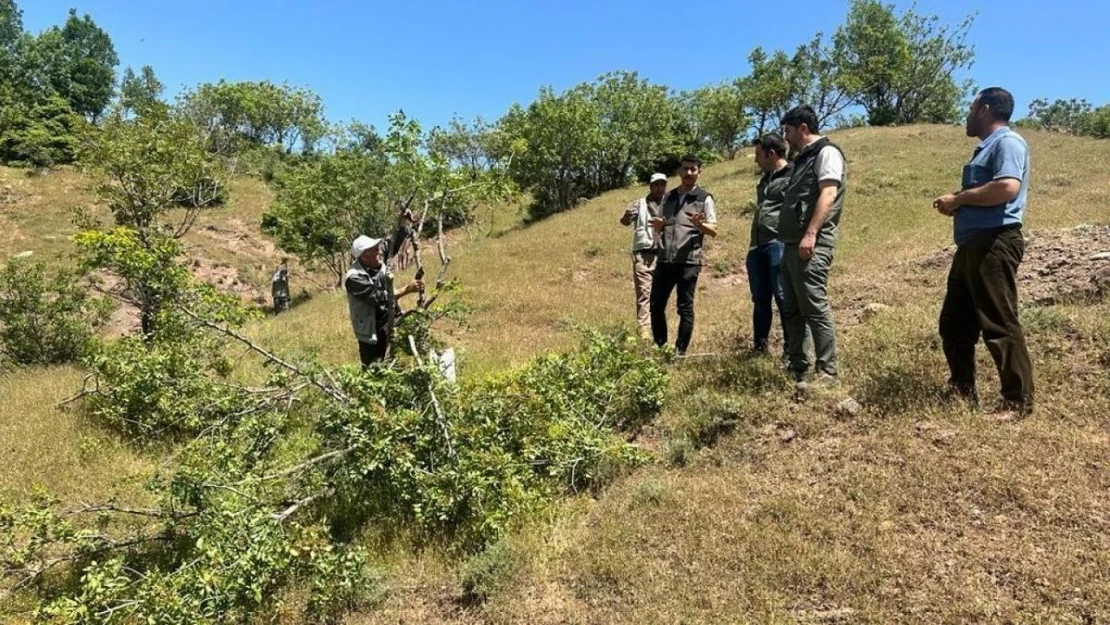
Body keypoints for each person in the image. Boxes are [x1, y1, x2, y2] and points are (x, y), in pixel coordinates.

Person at [933, 87, 1034, 419]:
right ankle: (962, 390)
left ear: (986, 109)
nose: (967, 113)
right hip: (973, 244)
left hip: (994, 242)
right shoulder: (987, 149)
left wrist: (960, 200)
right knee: (954, 322)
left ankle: (1017, 401)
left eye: (971, 107)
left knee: (998, 320)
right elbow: (991, 187)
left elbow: (1007, 187)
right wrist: (959, 199)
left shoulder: (1008, 142)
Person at [778, 104, 846, 388]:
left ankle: (827, 373)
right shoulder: (801, 159)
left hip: (811, 243)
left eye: (788, 130)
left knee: (814, 307)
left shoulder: (826, 153)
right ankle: (798, 367)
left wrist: (811, 234)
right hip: (792, 244)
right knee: (792, 308)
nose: (786, 137)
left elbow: (828, 194)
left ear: (803, 129)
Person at [650, 154, 718, 356]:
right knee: (656, 306)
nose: (689, 173)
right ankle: (661, 349)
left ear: (699, 171)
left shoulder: (704, 198)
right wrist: (659, 227)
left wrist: (700, 224)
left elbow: (713, 230)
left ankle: (680, 352)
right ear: (679, 170)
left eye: (693, 169)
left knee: (684, 308)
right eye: (685, 168)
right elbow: (660, 225)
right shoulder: (668, 197)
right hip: (664, 260)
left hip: (689, 261)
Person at [345, 228, 423, 368]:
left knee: (398, 359)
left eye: (377, 247)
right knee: (373, 369)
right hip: (371, 331)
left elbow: (394, 241)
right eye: (373, 249)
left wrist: (405, 221)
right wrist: (406, 289)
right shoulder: (354, 278)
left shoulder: (377, 258)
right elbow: (378, 298)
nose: (378, 251)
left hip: (389, 319)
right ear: (363, 256)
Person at [747, 133, 793, 357]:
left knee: (783, 297)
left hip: (778, 243)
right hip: (757, 246)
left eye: (758, 154)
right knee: (760, 300)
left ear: (771, 154)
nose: (756, 159)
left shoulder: (792, 175)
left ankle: (791, 350)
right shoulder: (764, 179)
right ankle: (760, 348)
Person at [621, 173, 667, 339]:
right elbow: (626, 222)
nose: (659, 187)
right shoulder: (639, 204)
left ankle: (659, 331)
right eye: (656, 184)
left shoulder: (670, 204)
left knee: (660, 296)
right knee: (644, 293)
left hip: (664, 256)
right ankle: (644, 331)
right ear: (650, 186)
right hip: (643, 255)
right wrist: (626, 216)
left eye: (662, 184)